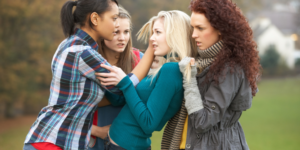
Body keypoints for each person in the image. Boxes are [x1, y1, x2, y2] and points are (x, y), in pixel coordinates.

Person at [23, 0, 154, 150]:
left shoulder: (69, 44)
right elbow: (121, 88)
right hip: (52, 143)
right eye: (113, 18)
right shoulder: (83, 53)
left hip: (55, 141)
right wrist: (150, 51)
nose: (116, 24)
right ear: (95, 19)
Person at [161, 0, 261, 149]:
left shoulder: (230, 68)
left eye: (200, 28)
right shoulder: (201, 59)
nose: (194, 35)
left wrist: (189, 79)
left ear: (220, 29)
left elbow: (203, 122)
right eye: (192, 28)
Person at [96, 10, 197, 150]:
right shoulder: (167, 68)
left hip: (127, 146)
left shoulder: (171, 70)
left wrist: (125, 83)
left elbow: (149, 122)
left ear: (175, 34)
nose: (152, 38)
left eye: (158, 32)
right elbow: (127, 100)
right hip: (120, 144)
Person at [88, 6, 144, 150]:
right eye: (116, 32)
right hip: (93, 139)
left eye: (126, 32)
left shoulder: (139, 61)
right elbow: (69, 108)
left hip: (128, 141)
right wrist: (97, 131)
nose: (122, 38)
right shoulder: (89, 62)